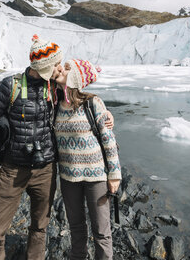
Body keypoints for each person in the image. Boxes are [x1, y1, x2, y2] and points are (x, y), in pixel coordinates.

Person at [0, 34, 63, 260]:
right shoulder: (11, 86)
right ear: (42, 67)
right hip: (12, 169)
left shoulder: (54, 86)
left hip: (45, 169)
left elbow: (80, 95)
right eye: (54, 65)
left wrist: (103, 111)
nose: (59, 68)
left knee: (40, 227)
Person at [53, 59, 122, 260]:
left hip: (96, 178)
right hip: (68, 178)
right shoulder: (56, 103)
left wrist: (115, 175)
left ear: (74, 76)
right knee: (76, 229)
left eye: (66, 68)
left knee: (101, 232)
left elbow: (108, 139)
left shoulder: (93, 103)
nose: (60, 70)